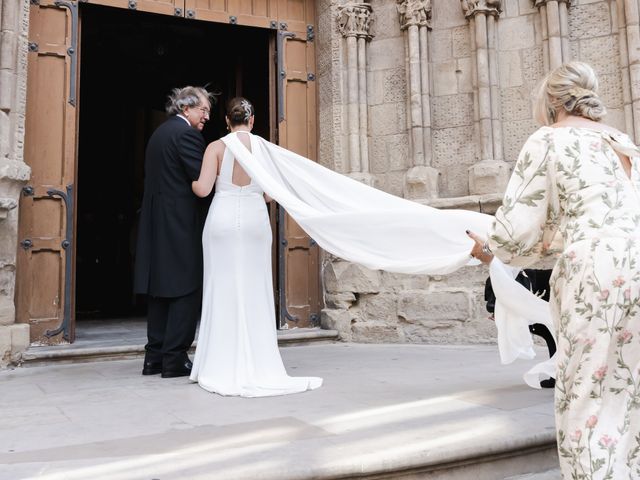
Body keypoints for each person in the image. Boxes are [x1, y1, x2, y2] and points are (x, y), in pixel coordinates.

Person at [467, 62, 640, 479]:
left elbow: (515, 233)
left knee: (585, 393)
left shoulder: (548, 139)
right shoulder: (622, 142)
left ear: (550, 102)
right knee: (627, 393)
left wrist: (488, 248)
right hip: (636, 263)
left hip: (595, 274)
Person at [189, 97, 322, 397]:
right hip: (253, 220)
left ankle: (218, 363)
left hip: (222, 219)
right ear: (251, 121)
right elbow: (270, 194)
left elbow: (203, 189)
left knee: (220, 286)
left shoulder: (216, 147)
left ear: (226, 121)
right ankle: (260, 361)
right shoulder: (262, 148)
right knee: (254, 286)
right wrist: (252, 194)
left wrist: (189, 180)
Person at [134, 86, 213, 378]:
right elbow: (202, 183)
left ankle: (154, 357)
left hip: (156, 223)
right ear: (186, 109)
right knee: (185, 289)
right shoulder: (187, 135)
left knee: (159, 291)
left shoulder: (159, 133)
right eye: (203, 110)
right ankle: (175, 358)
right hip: (180, 224)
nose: (206, 117)